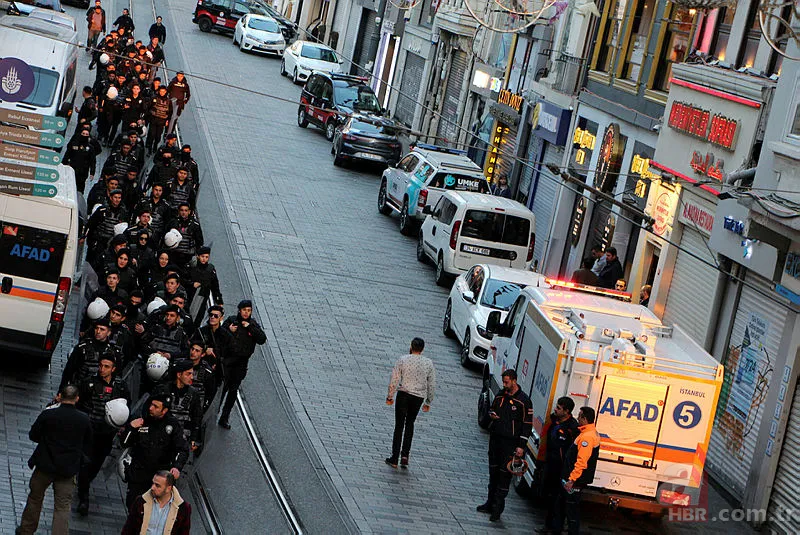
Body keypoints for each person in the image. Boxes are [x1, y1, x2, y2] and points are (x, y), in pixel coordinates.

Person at [17, 386, 92, 535]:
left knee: (35, 498)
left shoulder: (49, 414)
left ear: (60, 396)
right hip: (67, 470)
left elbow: (34, 435)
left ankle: (26, 530)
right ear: (77, 399)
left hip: (45, 466)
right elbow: (88, 443)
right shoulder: (84, 419)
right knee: (62, 507)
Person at [76, 355, 130, 516]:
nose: (102, 369)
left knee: (96, 463)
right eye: (101, 365)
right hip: (89, 430)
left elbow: (126, 405)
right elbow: (79, 404)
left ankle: (84, 482)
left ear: (113, 369)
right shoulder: (89, 383)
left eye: (107, 366)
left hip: (106, 433)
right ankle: (83, 496)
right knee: (86, 462)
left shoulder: (120, 386)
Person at [477, 369, 533, 522]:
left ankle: (497, 509)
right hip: (495, 440)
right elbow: (492, 408)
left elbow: (527, 425)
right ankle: (489, 503)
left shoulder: (523, 401)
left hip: (510, 443)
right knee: (493, 473)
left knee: (504, 476)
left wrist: (521, 446)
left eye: (507, 382)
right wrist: (492, 415)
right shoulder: (501, 395)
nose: (504, 384)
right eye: (503, 382)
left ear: (514, 381)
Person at [120, 394, 190, 507]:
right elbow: (124, 443)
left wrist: (176, 467)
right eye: (151, 404)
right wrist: (131, 428)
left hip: (159, 478)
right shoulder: (142, 419)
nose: (151, 408)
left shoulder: (172, 425)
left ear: (164, 410)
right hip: (138, 475)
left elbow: (182, 449)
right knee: (133, 507)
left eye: (156, 406)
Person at [385, 337, 435, 469]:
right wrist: (428, 402)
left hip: (404, 395)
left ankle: (394, 457)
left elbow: (395, 378)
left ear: (411, 346)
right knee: (410, 424)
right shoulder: (428, 363)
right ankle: (405, 455)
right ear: (422, 349)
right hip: (418, 397)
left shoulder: (403, 359)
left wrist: (390, 396)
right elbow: (431, 384)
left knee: (399, 425)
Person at [218, 300, 267, 429]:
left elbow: (262, 339)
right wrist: (228, 330)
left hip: (241, 362)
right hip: (228, 361)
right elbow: (220, 334)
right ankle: (215, 411)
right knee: (222, 388)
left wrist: (249, 327)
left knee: (233, 391)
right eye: (244, 310)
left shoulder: (253, 324)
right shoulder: (232, 320)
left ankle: (225, 417)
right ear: (239, 310)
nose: (246, 312)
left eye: (249, 310)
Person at [551, 407, 600, 535]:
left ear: (584, 419)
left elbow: (581, 462)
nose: (577, 418)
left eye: (579, 416)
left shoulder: (587, 437)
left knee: (571, 510)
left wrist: (571, 480)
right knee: (561, 506)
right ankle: (556, 530)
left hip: (574, 481)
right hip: (571, 479)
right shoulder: (588, 433)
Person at [539, 397, 579, 533]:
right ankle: (547, 525)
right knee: (548, 496)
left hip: (562, 470)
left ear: (567, 411)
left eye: (559, 408)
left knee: (559, 501)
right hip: (550, 465)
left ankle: (557, 528)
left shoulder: (572, 429)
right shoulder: (555, 420)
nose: (555, 409)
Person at [122, 471, 191, 535]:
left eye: (157, 485)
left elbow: (184, 533)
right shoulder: (140, 501)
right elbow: (128, 528)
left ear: (168, 489)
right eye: (153, 483)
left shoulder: (184, 508)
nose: (152, 487)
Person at [60, 318, 120, 390]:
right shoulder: (83, 348)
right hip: (80, 388)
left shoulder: (113, 352)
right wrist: (62, 390)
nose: (98, 331)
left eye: (102, 329)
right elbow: (69, 370)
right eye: (96, 328)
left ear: (109, 332)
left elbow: (116, 374)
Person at [62, 126, 101, 194]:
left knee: (79, 188)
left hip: (83, 172)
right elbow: (67, 155)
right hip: (72, 169)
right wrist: (63, 165)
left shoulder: (90, 148)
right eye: (83, 134)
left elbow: (93, 161)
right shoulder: (74, 144)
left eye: (86, 134)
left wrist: (92, 172)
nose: (85, 135)